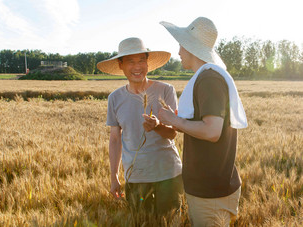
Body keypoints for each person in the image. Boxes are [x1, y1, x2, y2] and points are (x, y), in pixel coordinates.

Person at [158, 17, 248, 226]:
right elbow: (207, 127)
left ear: (190, 47)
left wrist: (174, 120)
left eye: (181, 45)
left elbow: (211, 132)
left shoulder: (209, 79)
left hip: (211, 192)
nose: (179, 52)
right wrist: (178, 122)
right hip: (211, 189)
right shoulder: (208, 77)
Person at [97, 37, 183, 215]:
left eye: (141, 60)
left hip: (168, 174)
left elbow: (173, 134)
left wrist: (157, 126)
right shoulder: (115, 98)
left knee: (169, 221)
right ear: (120, 65)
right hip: (135, 176)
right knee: (139, 221)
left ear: (148, 62)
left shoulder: (166, 90)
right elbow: (114, 139)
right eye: (131, 61)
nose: (137, 67)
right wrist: (113, 177)